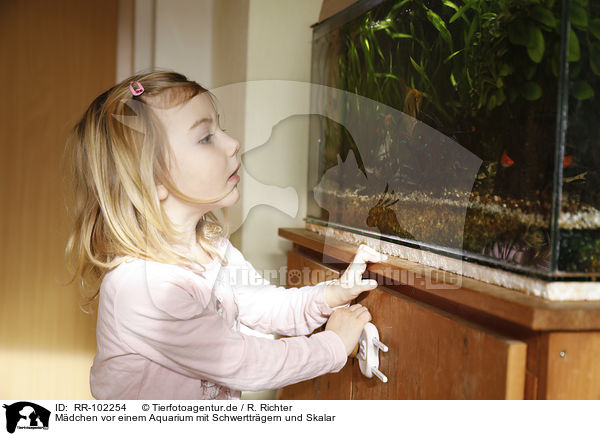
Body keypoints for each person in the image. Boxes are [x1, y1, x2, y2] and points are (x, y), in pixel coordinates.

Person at [62, 70, 387, 400]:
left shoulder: (211, 247)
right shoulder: (143, 288)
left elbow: (266, 306)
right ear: (152, 182)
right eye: (206, 138)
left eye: (221, 129)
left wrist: (330, 295)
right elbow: (241, 362)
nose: (234, 144)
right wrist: (330, 347)